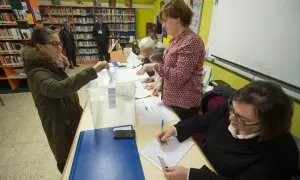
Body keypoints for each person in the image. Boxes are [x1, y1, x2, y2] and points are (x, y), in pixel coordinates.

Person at [157, 81, 299, 180]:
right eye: (232, 108)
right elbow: (203, 120)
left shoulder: (280, 154)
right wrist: (175, 129)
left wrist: (190, 176)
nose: (230, 117)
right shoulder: (233, 110)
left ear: (269, 125)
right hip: (205, 163)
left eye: (242, 119)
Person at [20, 27, 109, 173]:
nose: (60, 47)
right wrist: (93, 71)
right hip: (61, 129)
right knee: (69, 165)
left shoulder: (48, 64)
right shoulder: (35, 72)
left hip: (71, 119)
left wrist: (61, 66)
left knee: (83, 157)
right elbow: (58, 89)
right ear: (40, 47)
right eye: (54, 44)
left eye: (60, 43)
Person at [137, 0, 205, 120]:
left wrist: (154, 66)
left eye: (165, 20)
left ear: (178, 19)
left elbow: (179, 76)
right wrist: (161, 84)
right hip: (171, 101)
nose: (163, 25)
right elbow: (171, 68)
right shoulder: (175, 40)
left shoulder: (191, 41)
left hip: (183, 105)